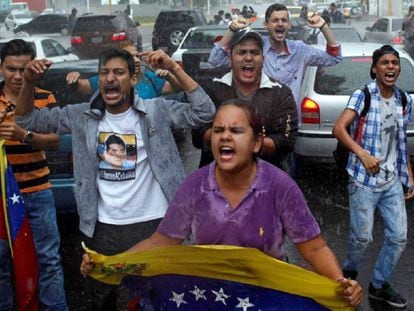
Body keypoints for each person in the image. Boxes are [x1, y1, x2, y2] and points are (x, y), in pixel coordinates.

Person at [81, 100, 364, 308]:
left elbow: (313, 247)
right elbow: (160, 244)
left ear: (256, 143)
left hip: (265, 294)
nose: (225, 136)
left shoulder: (280, 186)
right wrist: (110, 264)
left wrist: (341, 286)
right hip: (206, 295)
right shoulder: (194, 186)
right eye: (218, 130)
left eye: (236, 130)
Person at [15, 48, 215, 310]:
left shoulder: (156, 111)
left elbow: (205, 112)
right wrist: (29, 80)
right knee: (102, 300)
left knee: (157, 299)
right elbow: (27, 118)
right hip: (103, 228)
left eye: (119, 72)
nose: (110, 78)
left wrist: (174, 68)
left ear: (133, 79)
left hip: (155, 225)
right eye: (104, 73)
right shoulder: (81, 116)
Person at [332, 45, 413, 309]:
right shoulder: (363, 95)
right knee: (362, 238)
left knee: (399, 236)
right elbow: (339, 128)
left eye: (394, 63)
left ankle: (378, 284)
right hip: (363, 181)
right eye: (385, 63)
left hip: (391, 182)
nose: (391, 67)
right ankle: (349, 276)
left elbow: (400, 142)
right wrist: (363, 154)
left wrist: (408, 175)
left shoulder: (403, 100)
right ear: (375, 68)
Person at [0, 39, 68, 310]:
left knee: (49, 259)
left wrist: (23, 135)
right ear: (1, 68)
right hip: (2, 195)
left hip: (38, 190)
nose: (17, 76)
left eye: (23, 69)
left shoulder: (44, 96)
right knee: (1, 260)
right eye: (10, 69)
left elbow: (54, 141)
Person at [192, 29, 297, 175]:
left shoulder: (281, 93)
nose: (248, 58)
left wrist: (240, 141)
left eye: (255, 53)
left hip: (266, 180)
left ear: (263, 59)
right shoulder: (212, 89)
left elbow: (287, 141)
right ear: (230, 59)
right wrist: (246, 140)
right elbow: (197, 135)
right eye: (241, 52)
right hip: (217, 180)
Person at [208, 3, 341, 118]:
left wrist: (323, 26)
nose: (280, 24)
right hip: (257, 119)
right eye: (275, 20)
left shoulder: (300, 50)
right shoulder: (256, 49)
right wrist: (232, 29)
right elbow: (215, 60)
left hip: (289, 121)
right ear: (266, 25)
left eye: (284, 20)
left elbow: (333, 58)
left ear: (289, 25)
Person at [66, 41, 180, 99]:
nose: (135, 60)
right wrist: (73, 77)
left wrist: (171, 71)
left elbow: (178, 87)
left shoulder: (149, 77)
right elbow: (80, 87)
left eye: (137, 56)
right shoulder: (108, 80)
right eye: (130, 57)